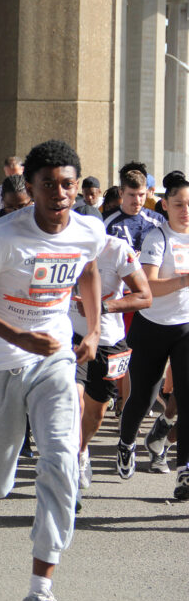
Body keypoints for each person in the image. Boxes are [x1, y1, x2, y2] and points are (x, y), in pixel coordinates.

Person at [0, 139, 104, 601]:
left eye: (67, 185)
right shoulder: (1, 237)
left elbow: (89, 270)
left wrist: (93, 329)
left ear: (77, 187)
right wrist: (17, 335)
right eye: (48, 185)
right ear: (32, 189)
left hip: (54, 357)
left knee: (61, 460)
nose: (60, 193)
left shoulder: (89, 230)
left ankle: (39, 592)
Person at [115, 170, 189, 501]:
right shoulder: (158, 237)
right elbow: (149, 287)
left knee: (186, 398)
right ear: (165, 205)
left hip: (186, 327)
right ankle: (126, 442)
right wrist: (185, 280)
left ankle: (185, 469)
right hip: (152, 326)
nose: (185, 210)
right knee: (143, 398)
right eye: (179, 204)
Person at [70, 233, 150, 489]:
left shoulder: (117, 249)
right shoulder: (58, 242)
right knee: (73, 398)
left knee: (97, 412)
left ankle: (82, 450)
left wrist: (100, 307)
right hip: (68, 335)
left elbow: (145, 296)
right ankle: (67, 462)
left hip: (108, 340)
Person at [103, 163, 165, 252]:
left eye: (141, 195)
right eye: (132, 195)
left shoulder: (158, 221)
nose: (137, 200)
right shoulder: (105, 220)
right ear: (121, 193)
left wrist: (144, 256)